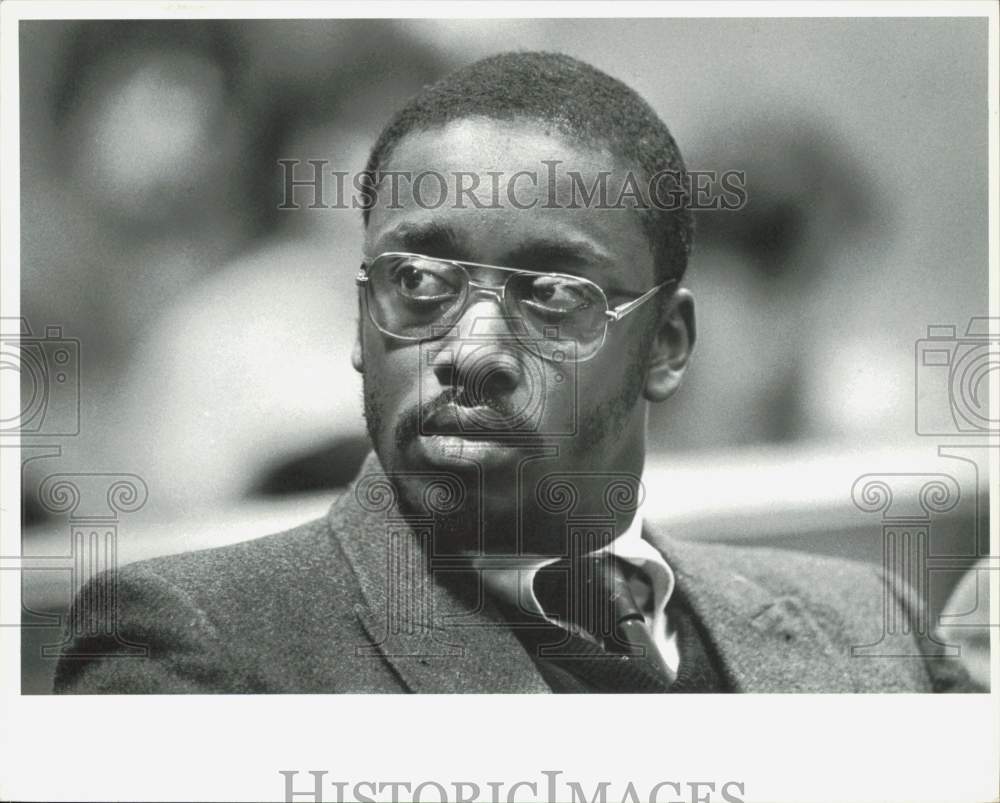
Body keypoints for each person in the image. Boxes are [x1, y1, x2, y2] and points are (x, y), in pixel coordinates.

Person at [53, 52, 968, 693]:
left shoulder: (866, 627)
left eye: (553, 293)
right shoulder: (198, 642)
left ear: (667, 345)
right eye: (417, 282)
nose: (474, 350)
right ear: (361, 320)